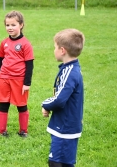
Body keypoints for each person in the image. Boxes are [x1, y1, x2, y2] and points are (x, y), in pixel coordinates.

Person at [41, 28, 85, 167]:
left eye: (55, 47)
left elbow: (59, 100)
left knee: (55, 162)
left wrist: (45, 104)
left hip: (65, 126)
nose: (53, 50)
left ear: (62, 50)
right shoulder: (71, 69)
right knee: (65, 163)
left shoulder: (70, 72)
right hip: (68, 124)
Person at [0, 11, 34, 137]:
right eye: (7, 25)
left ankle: (23, 131)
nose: (10, 28)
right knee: (3, 104)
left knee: (21, 105)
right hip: (4, 78)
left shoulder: (25, 44)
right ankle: (2, 131)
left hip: (19, 80)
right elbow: (0, 58)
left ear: (21, 25)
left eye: (13, 25)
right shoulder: (4, 42)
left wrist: (27, 83)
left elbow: (29, 64)